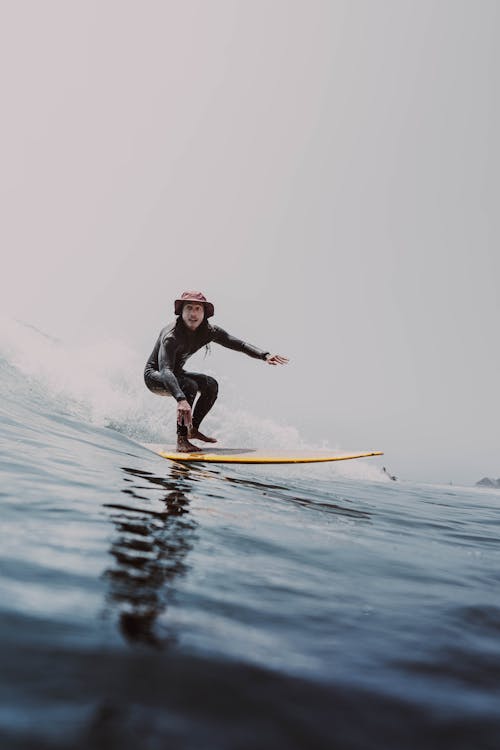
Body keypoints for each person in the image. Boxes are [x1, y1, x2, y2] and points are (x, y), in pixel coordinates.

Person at [144, 291, 289, 452]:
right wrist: (180, 399)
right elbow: (165, 370)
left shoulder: (209, 331)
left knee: (210, 384)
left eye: (198, 309)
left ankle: (192, 430)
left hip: (176, 375)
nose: (193, 313)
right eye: (189, 308)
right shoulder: (172, 336)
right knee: (189, 385)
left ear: (204, 313)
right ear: (181, 312)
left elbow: (239, 344)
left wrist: (265, 355)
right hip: (155, 376)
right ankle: (182, 440)